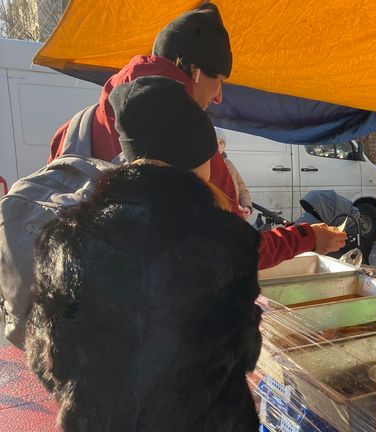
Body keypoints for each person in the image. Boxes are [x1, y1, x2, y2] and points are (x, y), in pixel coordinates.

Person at [26, 76, 263, 430]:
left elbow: (46, 362)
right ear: (195, 159)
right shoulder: (228, 242)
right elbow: (246, 352)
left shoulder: (65, 241)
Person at [46, 3, 344, 269]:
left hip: (73, 306)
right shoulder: (188, 141)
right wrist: (307, 237)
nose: (218, 97)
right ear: (197, 71)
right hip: (152, 320)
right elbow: (237, 249)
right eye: (220, 80)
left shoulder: (73, 129)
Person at [216, 127, 253, 217]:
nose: (218, 146)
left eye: (221, 142)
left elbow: (242, 189)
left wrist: (246, 206)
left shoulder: (229, 164)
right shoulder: (205, 167)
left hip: (234, 217)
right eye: (215, 142)